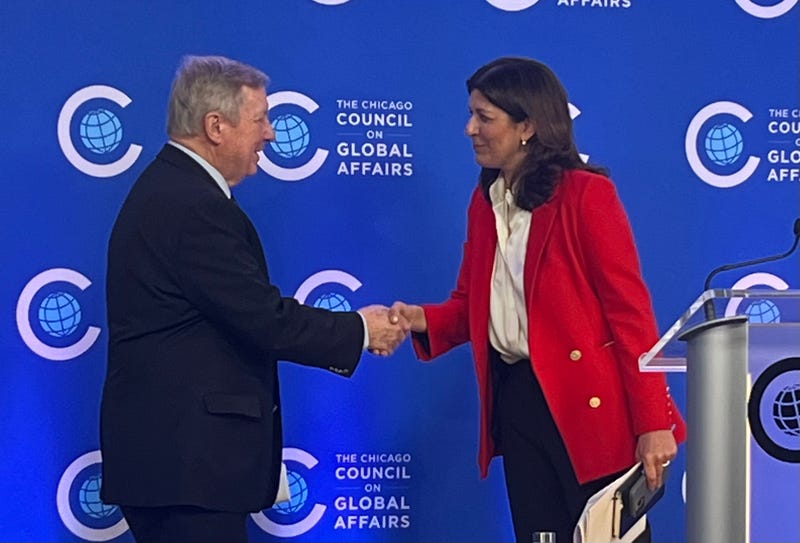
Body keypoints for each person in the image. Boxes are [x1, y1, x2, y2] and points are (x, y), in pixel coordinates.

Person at [100, 55, 408, 543]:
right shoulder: (192, 205)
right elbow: (262, 317)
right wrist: (361, 329)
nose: (270, 133)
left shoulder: (174, 190)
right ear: (215, 126)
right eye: (260, 118)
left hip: (177, 469)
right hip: (187, 473)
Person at [390, 57, 686, 543]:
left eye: (484, 117)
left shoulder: (587, 195)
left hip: (590, 408)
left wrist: (654, 422)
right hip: (520, 400)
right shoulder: (486, 202)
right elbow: (472, 305)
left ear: (527, 125)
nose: (469, 129)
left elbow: (631, 316)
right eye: (472, 115)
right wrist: (418, 318)